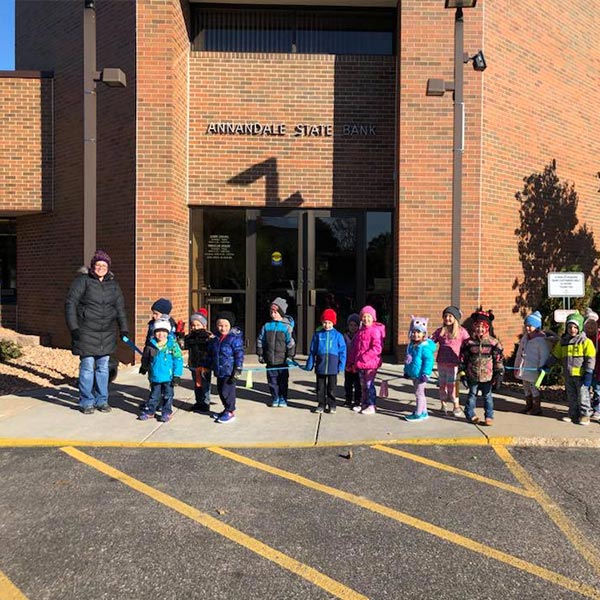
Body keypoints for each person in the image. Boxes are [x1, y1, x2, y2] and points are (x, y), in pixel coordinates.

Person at [65, 250, 129, 414]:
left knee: (103, 368)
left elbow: (120, 308)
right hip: (86, 331)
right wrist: (74, 328)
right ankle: (86, 401)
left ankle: (102, 401)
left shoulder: (113, 285)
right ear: (93, 266)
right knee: (87, 367)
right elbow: (70, 304)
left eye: (104, 265)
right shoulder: (82, 281)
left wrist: (124, 328)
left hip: (107, 332)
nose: (101, 267)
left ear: (108, 267)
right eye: (98, 265)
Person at [543, 312, 596, 426]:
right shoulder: (563, 342)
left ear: (580, 328)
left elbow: (590, 358)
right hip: (568, 374)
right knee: (571, 396)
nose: (572, 329)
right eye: (570, 327)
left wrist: (589, 372)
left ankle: (585, 415)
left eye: (575, 327)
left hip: (581, 375)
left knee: (583, 396)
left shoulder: (585, 342)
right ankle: (573, 414)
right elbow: (556, 355)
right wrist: (547, 365)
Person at [458, 308, 504, 426]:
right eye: (478, 327)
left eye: (483, 327)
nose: (480, 329)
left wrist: (499, 374)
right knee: (472, 395)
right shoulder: (468, 343)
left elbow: (498, 359)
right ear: (474, 327)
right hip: (472, 374)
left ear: (487, 328)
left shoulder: (494, 343)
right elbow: (463, 359)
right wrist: (462, 373)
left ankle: (489, 416)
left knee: (487, 396)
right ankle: (470, 413)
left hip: (487, 375)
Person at [138, 318, 183, 422]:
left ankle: (166, 412)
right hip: (155, 376)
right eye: (158, 332)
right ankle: (150, 411)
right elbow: (146, 358)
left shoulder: (172, 346)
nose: (161, 334)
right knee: (154, 395)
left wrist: (177, 375)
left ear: (168, 332)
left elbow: (178, 360)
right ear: (154, 332)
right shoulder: (151, 345)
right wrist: (144, 367)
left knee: (168, 396)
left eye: (164, 332)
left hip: (168, 377)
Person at [305, 308, 347, 414]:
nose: (327, 325)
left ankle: (332, 404)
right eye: (324, 322)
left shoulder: (338, 335)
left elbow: (342, 351)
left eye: (329, 322)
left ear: (333, 322)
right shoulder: (318, 335)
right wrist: (310, 363)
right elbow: (313, 350)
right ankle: (321, 404)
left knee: (331, 388)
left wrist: (341, 365)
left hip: (333, 366)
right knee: (320, 388)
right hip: (321, 365)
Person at [256, 297, 296, 408]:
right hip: (270, 360)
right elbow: (260, 340)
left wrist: (290, 356)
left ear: (281, 313)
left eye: (275, 312)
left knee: (283, 381)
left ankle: (283, 397)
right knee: (272, 381)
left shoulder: (286, 327)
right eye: (271, 312)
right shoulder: (267, 326)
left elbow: (291, 342)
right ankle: (275, 397)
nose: (273, 314)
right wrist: (260, 353)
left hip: (282, 360)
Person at [430, 306, 469, 416]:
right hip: (442, 362)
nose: (447, 318)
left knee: (453, 386)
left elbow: (468, 344)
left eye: (450, 316)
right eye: (445, 316)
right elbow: (431, 341)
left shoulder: (462, 332)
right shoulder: (440, 331)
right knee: (442, 385)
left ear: (456, 318)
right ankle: (443, 405)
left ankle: (456, 406)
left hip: (454, 364)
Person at [347, 305, 385, 415]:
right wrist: (352, 361)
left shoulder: (375, 331)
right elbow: (355, 348)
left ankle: (371, 405)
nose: (366, 319)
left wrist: (364, 357)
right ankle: (364, 403)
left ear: (373, 318)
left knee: (369, 385)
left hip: (370, 364)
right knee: (363, 385)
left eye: (368, 316)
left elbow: (377, 348)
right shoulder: (360, 331)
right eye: (364, 316)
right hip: (360, 364)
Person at [208, 311, 244, 424]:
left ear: (230, 326)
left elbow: (239, 355)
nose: (222, 328)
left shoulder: (234, 339)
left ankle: (230, 411)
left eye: (225, 326)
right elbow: (212, 353)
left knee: (227, 391)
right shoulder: (216, 338)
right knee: (220, 390)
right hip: (219, 370)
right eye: (220, 325)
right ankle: (226, 409)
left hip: (229, 371)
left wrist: (237, 369)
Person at [513, 311, 549, 416]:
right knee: (526, 387)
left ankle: (536, 407)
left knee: (534, 389)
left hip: (534, 369)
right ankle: (528, 405)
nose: (528, 328)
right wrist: (517, 365)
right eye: (526, 326)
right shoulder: (525, 338)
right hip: (524, 367)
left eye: (530, 326)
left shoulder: (541, 340)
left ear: (536, 326)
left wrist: (542, 366)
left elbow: (544, 355)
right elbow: (519, 352)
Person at [403, 317, 435, 422]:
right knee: (420, 393)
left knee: (419, 394)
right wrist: (406, 371)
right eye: (413, 332)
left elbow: (429, 361)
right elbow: (408, 359)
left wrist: (426, 374)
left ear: (424, 334)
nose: (415, 334)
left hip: (421, 375)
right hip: (414, 374)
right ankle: (424, 412)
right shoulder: (411, 345)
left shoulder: (424, 347)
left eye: (418, 332)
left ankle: (418, 413)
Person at [184, 309, 213, 412]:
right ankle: (198, 402)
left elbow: (212, 349)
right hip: (194, 364)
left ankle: (205, 403)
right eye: (193, 325)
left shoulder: (208, 337)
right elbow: (183, 346)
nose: (195, 327)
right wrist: (180, 336)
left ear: (204, 326)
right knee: (197, 384)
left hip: (205, 365)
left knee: (205, 385)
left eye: (198, 325)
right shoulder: (190, 337)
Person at [582, 308, 600, 421]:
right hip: (586, 368)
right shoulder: (582, 339)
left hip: (598, 368)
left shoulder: (599, 338)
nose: (590, 328)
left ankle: (597, 409)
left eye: (593, 325)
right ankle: (587, 408)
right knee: (586, 389)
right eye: (587, 325)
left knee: (598, 390)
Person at [343, 314, 361, 409]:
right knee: (348, 383)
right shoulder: (345, 336)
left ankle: (357, 399)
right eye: (351, 325)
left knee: (358, 384)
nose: (353, 327)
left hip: (357, 364)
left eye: (355, 325)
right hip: (348, 364)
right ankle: (348, 399)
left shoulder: (360, 336)